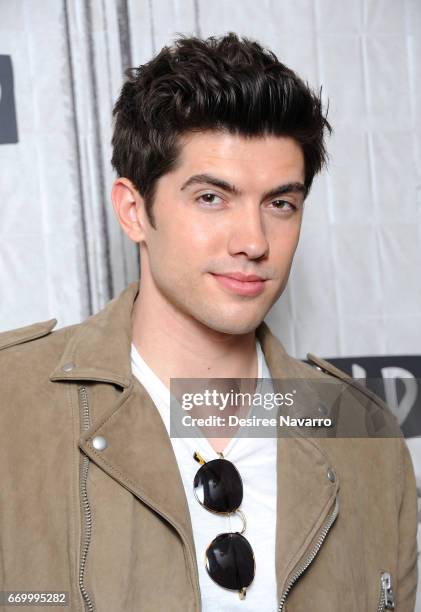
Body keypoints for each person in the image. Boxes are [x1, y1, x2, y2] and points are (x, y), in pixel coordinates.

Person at [0, 33, 417, 612]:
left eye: (280, 204)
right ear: (133, 210)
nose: (253, 242)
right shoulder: (10, 407)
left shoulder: (363, 434)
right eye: (211, 198)